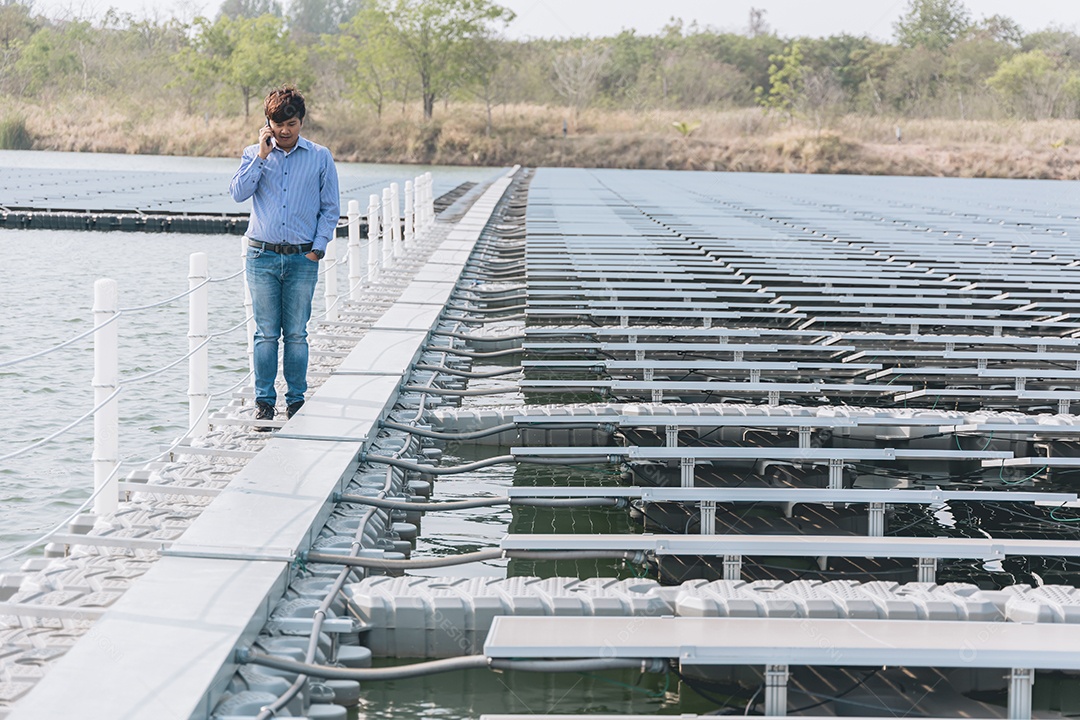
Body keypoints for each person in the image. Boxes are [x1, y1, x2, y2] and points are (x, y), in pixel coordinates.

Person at [229, 85, 340, 431]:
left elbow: (330, 208)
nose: (285, 130)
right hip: (261, 256)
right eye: (278, 124)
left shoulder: (320, 157)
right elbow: (238, 193)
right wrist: (261, 157)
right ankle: (264, 404)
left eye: (291, 123)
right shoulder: (253, 154)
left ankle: (295, 402)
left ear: (301, 121)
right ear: (268, 124)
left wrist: (316, 249)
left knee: (295, 334)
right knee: (264, 334)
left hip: (301, 259)